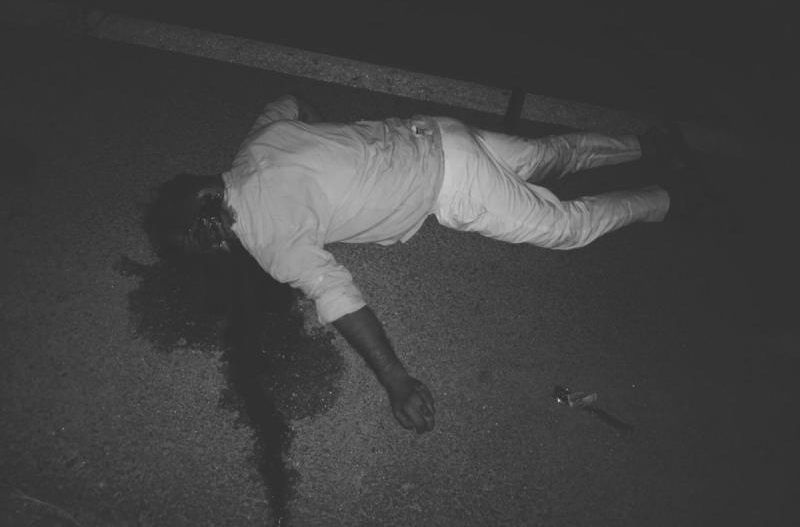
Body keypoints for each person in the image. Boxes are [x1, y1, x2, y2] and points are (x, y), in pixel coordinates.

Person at [146, 93, 703, 434]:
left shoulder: (267, 233)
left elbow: (337, 295)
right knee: (542, 156)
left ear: (206, 204)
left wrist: (396, 379)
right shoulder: (255, 145)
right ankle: (647, 144)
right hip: (430, 132)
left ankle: (669, 199)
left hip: (449, 181)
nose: (209, 248)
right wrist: (343, 151)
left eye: (199, 238)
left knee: (564, 228)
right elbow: (290, 101)